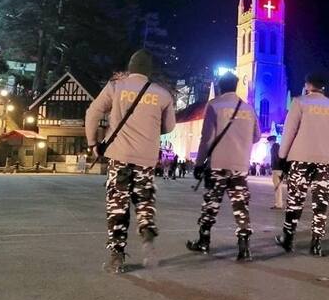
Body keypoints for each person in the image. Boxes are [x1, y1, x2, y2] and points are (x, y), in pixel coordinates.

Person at [85, 49, 176, 273]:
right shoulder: (163, 95)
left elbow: (92, 112)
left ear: (130, 67)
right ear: (149, 71)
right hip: (146, 158)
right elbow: (170, 126)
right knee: (144, 200)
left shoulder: (115, 86)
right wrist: (151, 127)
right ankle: (147, 232)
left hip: (120, 156)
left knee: (118, 204)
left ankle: (117, 257)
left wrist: (92, 143)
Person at [186, 72, 261, 261]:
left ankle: (204, 241)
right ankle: (244, 248)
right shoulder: (248, 109)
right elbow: (257, 136)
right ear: (236, 86)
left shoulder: (214, 105)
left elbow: (206, 138)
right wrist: (241, 143)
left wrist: (199, 163)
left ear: (219, 87)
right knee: (241, 206)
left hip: (217, 165)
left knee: (211, 204)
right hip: (240, 166)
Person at [275, 73, 329, 257]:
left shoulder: (299, 102)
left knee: (295, 201)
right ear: (324, 86)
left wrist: (282, 157)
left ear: (307, 85)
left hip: (300, 159)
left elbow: (289, 132)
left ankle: (288, 238)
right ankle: (316, 244)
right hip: (325, 162)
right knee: (320, 205)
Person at [268, 135, 284, 210]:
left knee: (277, 187)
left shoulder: (274, 147)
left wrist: (276, 167)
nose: (269, 143)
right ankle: (278, 203)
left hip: (276, 169)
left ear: (271, 141)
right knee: (278, 187)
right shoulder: (278, 146)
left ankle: (279, 204)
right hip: (278, 169)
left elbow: (276, 158)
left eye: (269, 142)